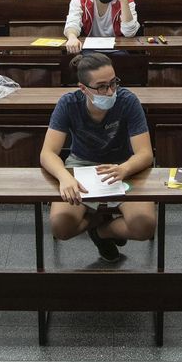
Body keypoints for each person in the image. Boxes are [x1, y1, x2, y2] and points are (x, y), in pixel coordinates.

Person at [40, 53, 155, 263]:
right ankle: (98, 216)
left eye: (113, 83)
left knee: (144, 226)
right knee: (61, 227)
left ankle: (102, 232)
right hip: (81, 164)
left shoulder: (128, 101)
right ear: (83, 88)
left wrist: (126, 168)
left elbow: (145, 154)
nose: (110, 91)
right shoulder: (68, 103)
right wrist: (64, 177)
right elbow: (47, 153)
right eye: (101, 86)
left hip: (123, 166)